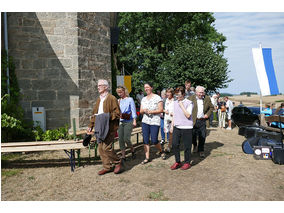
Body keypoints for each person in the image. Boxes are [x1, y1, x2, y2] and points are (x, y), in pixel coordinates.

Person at [87, 79, 123, 175]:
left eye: (100, 85)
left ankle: (117, 161)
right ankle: (107, 167)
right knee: (100, 148)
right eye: (98, 85)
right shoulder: (99, 99)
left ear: (106, 87)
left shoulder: (112, 98)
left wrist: (106, 117)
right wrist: (91, 125)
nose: (98, 87)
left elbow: (118, 114)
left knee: (107, 147)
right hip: (99, 127)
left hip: (109, 127)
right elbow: (95, 114)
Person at [140, 82, 166, 164]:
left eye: (147, 87)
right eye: (145, 87)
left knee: (154, 139)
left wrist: (151, 111)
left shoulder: (157, 98)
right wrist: (144, 110)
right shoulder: (143, 99)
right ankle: (147, 158)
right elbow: (140, 111)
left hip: (155, 121)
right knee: (145, 140)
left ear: (151, 88)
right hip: (145, 121)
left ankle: (161, 151)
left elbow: (161, 110)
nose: (146, 89)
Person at [170, 86, 194, 170]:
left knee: (187, 146)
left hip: (187, 127)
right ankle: (178, 161)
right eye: (176, 94)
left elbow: (188, 115)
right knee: (174, 144)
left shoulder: (189, 102)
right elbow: (174, 114)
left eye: (179, 94)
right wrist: (172, 125)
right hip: (177, 126)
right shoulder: (175, 102)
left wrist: (181, 105)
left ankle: (187, 162)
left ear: (183, 94)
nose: (177, 96)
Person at [188, 86, 214, 158]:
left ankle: (201, 150)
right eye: (200, 92)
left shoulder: (207, 98)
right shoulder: (190, 98)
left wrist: (207, 114)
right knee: (193, 135)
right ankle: (195, 145)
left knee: (202, 136)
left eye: (202, 92)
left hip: (202, 121)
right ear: (196, 92)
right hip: (193, 121)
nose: (201, 94)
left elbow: (211, 107)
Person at [116, 86, 137, 161]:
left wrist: (134, 120)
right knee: (121, 139)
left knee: (126, 139)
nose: (120, 94)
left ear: (124, 91)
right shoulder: (118, 100)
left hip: (129, 121)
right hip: (121, 121)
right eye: (118, 92)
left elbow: (133, 110)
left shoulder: (130, 99)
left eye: (121, 92)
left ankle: (132, 150)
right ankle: (123, 156)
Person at [163, 88, 174, 153]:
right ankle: (169, 144)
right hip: (166, 119)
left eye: (169, 92)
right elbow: (161, 108)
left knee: (171, 133)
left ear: (172, 93)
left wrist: (174, 112)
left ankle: (169, 146)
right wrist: (164, 111)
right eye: (167, 92)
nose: (167, 94)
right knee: (167, 132)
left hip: (173, 119)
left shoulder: (175, 100)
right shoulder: (165, 100)